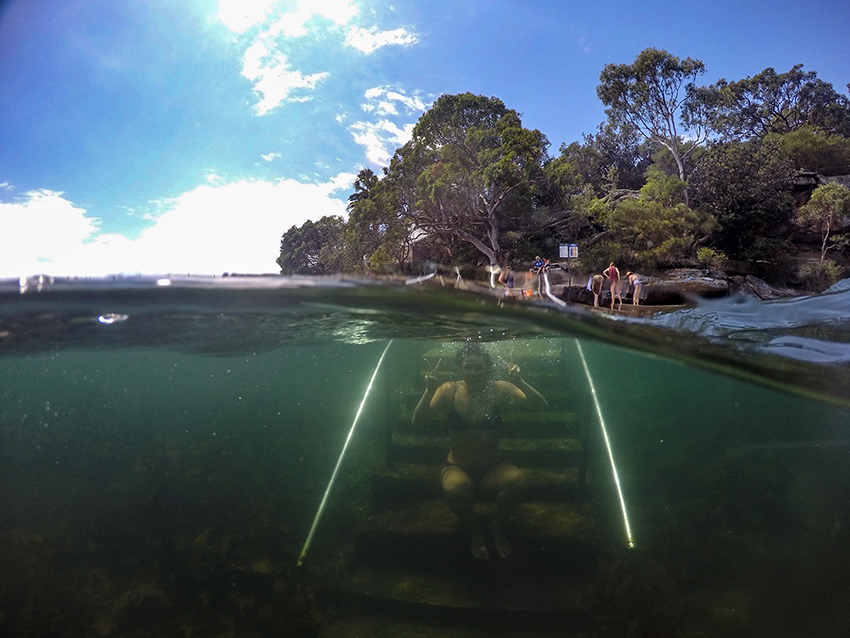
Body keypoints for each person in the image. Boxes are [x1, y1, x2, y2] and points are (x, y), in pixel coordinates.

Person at [411, 343, 548, 560]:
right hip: (458, 467)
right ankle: (474, 530)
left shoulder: (500, 388)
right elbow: (417, 421)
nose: (473, 373)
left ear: (487, 368)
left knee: (518, 481)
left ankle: (497, 527)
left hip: (492, 468)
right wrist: (429, 390)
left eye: (478, 367)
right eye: (468, 367)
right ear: (460, 368)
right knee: (454, 488)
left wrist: (519, 381)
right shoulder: (448, 389)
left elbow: (541, 405)